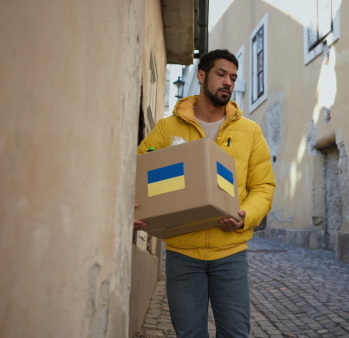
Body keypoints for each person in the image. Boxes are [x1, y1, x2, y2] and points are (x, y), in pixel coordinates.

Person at [135, 49, 275, 337]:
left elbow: (263, 187)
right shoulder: (166, 128)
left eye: (233, 78)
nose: (228, 82)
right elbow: (140, 172)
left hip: (230, 253)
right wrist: (135, 210)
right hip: (182, 254)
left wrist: (244, 215)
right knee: (189, 334)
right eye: (221, 74)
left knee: (236, 333)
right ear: (201, 76)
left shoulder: (250, 132)